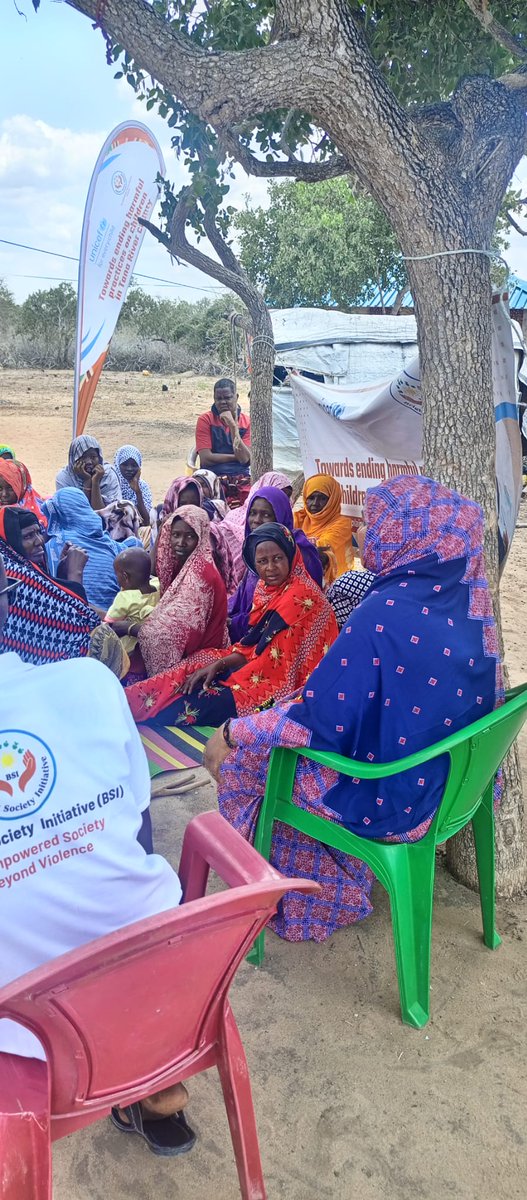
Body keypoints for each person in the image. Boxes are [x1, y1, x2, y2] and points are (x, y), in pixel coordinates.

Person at [200, 475, 503, 945]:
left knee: (245, 767)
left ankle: (324, 896)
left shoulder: (379, 615)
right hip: (458, 782)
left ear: (402, 535)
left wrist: (234, 732)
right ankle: (338, 868)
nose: (365, 537)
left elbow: (315, 720)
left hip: (398, 795)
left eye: (376, 526)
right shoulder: (473, 605)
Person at [0, 553, 195, 1156]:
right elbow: (138, 817)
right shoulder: (91, 681)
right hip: (160, 972)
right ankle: (157, 1075)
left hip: (28, 1023)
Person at [127, 523, 338, 728]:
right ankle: (124, 700)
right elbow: (253, 647)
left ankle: (126, 710)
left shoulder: (302, 598)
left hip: (272, 691)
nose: (270, 568)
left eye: (278, 559)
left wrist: (222, 669)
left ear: (291, 557)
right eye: (262, 561)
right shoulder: (267, 589)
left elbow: (277, 667)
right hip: (252, 669)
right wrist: (217, 665)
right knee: (191, 668)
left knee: (189, 705)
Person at [137, 506, 228, 678]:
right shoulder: (182, 564)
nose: (181, 542)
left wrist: (132, 628)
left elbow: (177, 632)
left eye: (190, 536)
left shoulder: (201, 574)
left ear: (201, 537)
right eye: (176, 535)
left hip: (205, 655)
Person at [0, 506, 99, 662]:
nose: (39, 541)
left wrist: (60, 575)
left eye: (38, 532)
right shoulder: (14, 578)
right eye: (27, 536)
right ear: (10, 541)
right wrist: (75, 573)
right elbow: (82, 627)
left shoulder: (14, 564)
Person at [228, 485, 323, 642]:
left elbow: (292, 609)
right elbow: (241, 598)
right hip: (249, 626)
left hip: (283, 636)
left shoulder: (298, 552)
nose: (257, 520)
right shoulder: (255, 546)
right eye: (253, 513)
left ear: (280, 516)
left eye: (266, 514)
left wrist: (236, 623)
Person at [43, 488, 142, 612]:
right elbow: (136, 546)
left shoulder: (55, 545)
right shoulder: (110, 544)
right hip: (114, 614)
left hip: (76, 615)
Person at [162, 476, 236, 594]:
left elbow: (207, 581)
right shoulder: (167, 525)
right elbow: (154, 571)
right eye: (183, 504)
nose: (190, 509)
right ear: (174, 502)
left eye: (195, 504)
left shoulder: (209, 532)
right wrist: (163, 529)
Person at [221, 470, 293, 586]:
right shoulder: (233, 521)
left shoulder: (291, 544)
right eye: (253, 513)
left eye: (287, 497)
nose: (257, 520)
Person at [294, 474, 356, 582]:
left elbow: (322, 549)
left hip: (334, 584)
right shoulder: (299, 518)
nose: (315, 503)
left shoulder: (343, 524)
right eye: (311, 498)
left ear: (333, 499)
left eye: (322, 498)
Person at [195, 378, 251, 492]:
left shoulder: (247, 422)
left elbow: (245, 460)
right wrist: (237, 457)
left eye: (227, 398)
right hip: (211, 475)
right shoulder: (205, 420)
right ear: (214, 399)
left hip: (240, 476)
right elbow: (206, 459)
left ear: (237, 397)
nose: (223, 402)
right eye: (218, 399)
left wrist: (232, 426)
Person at [106, 548, 159, 655]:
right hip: (147, 644)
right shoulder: (158, 585)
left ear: (125, 577)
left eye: (117, 575)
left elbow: (110, 623)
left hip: (128, 648)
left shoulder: (125, 598)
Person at [56, 435, 121, 509]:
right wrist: (87, 481)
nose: (89, 462)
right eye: (82, 457)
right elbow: (75, 512)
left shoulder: (108, 474)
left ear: (99, 458)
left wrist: (95, 482)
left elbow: (106, 513)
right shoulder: (64, 478)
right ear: (74, 459)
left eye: (93, 457)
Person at [114, 445, 153, 527]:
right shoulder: (112, 485)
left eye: (134, 465)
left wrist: (137, 491)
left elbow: (146, 521)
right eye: (124, 465)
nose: (129, 469)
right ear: (117, 464)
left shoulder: (142, 486)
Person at [0, 458, 46, 523]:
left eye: (11, 488)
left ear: (22, 486)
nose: (4, 494)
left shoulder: (36, 516)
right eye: (0, 489)